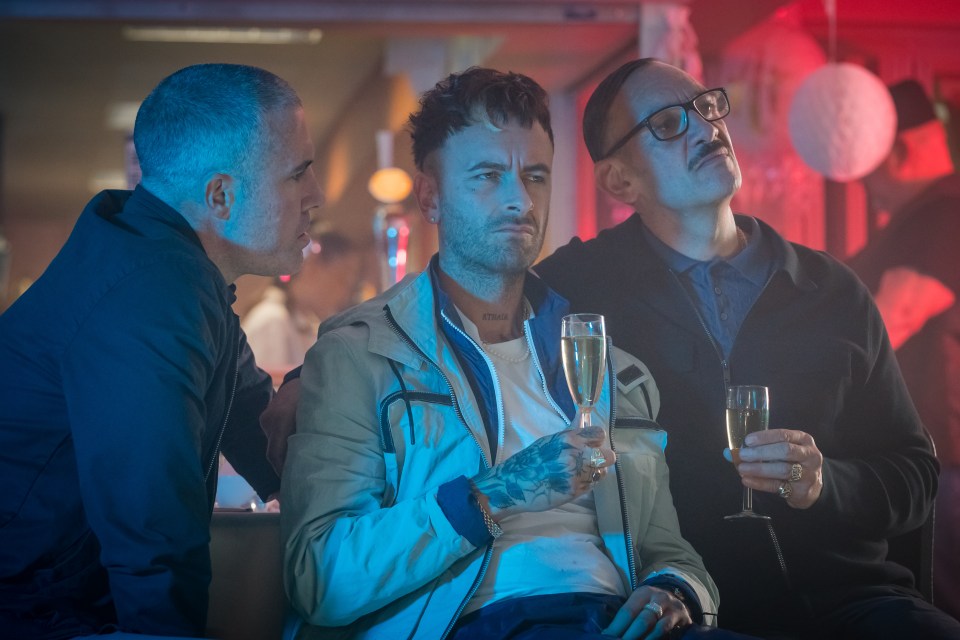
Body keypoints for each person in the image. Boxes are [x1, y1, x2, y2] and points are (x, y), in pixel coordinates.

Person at [282, 67, 753, 640]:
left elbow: (666, 547)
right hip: (478, 623)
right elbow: (320, 578)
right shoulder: (358, 355)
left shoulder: (613, 367)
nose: (519, 200)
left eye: (535, 176)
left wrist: (677, 589)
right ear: (430, 195)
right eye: (486, 176)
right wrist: (496, 493)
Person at [533, 58, 960, 639]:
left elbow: (913, 474)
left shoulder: (831, 289)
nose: (707, 127)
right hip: (695, 608)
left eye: (707, 107)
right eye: (667, 123)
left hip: (856, 599)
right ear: (619, 182)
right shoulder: (577, 290)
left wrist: (823, 483)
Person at [0, 63, 324, 638]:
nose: (316, 198)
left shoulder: (174, 272)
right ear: (221, 195)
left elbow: (258, 431)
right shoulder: (150, 291)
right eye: (299, 175)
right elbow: (152, 529)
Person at [848, 79, 960, 622]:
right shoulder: (924, 216)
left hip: (944, 470)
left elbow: (888, 323)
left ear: (900, 148)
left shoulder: (943, 216)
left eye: (868, 160)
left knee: (938, 609)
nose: (864, 180)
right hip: (926, 466)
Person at [243, 231, 361, 385]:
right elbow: (268, 399)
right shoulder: (272, 320)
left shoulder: (307, 323)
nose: (346, 291)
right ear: (312, 267)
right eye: (342, 277)